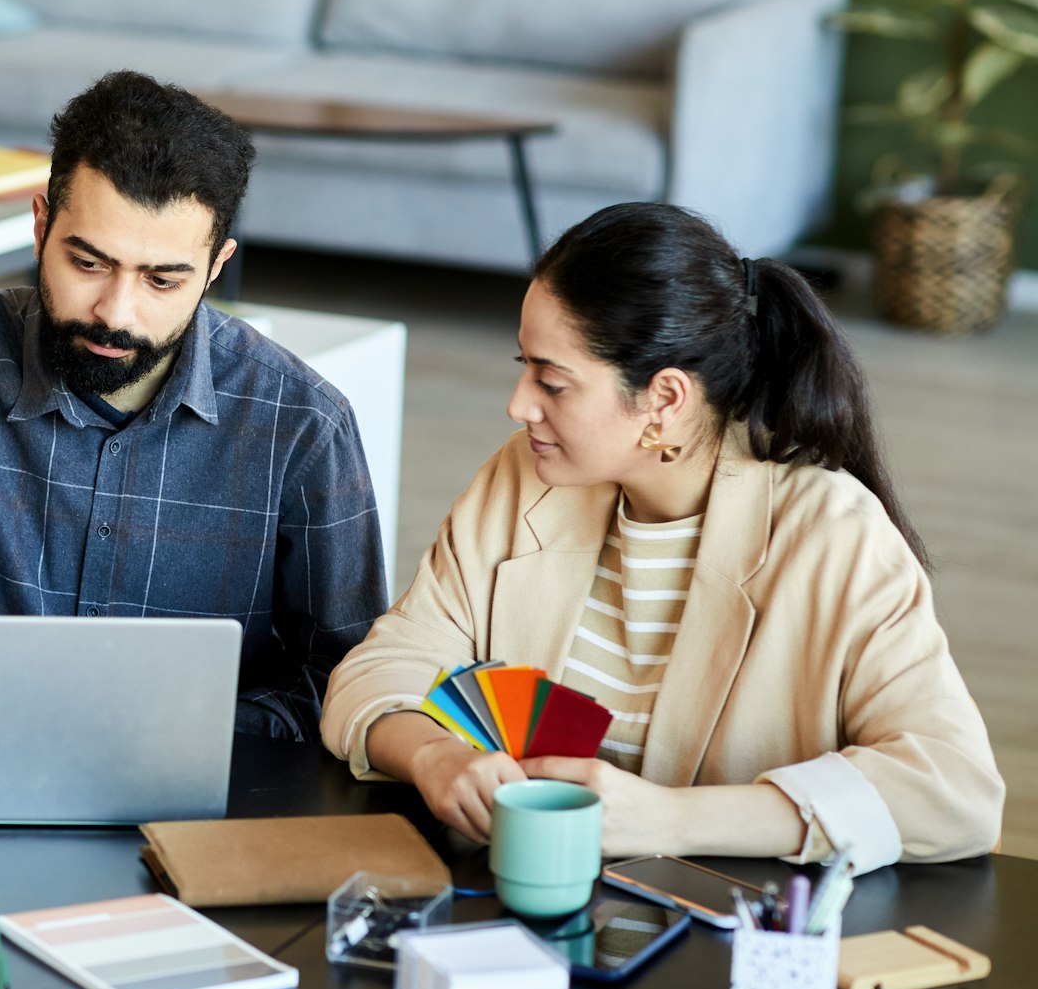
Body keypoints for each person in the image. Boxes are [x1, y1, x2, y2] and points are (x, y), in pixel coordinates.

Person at [322, 202, 1002, 870]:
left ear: (666, 400)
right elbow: (381, 667)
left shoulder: (834, 535)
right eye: (524, 365)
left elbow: (954, 789)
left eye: (552, 381)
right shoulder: (523, 477)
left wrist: (674, 818)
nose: (519, 403)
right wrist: (433, 754)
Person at [0, 71, 387, 740]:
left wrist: (172, 730)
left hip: (205, 796)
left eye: (163, 279)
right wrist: (66, 705)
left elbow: (348, 683)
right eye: (88, 264)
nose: (116, 312)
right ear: (40, 225)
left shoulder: (303, 424)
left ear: (216, 265)